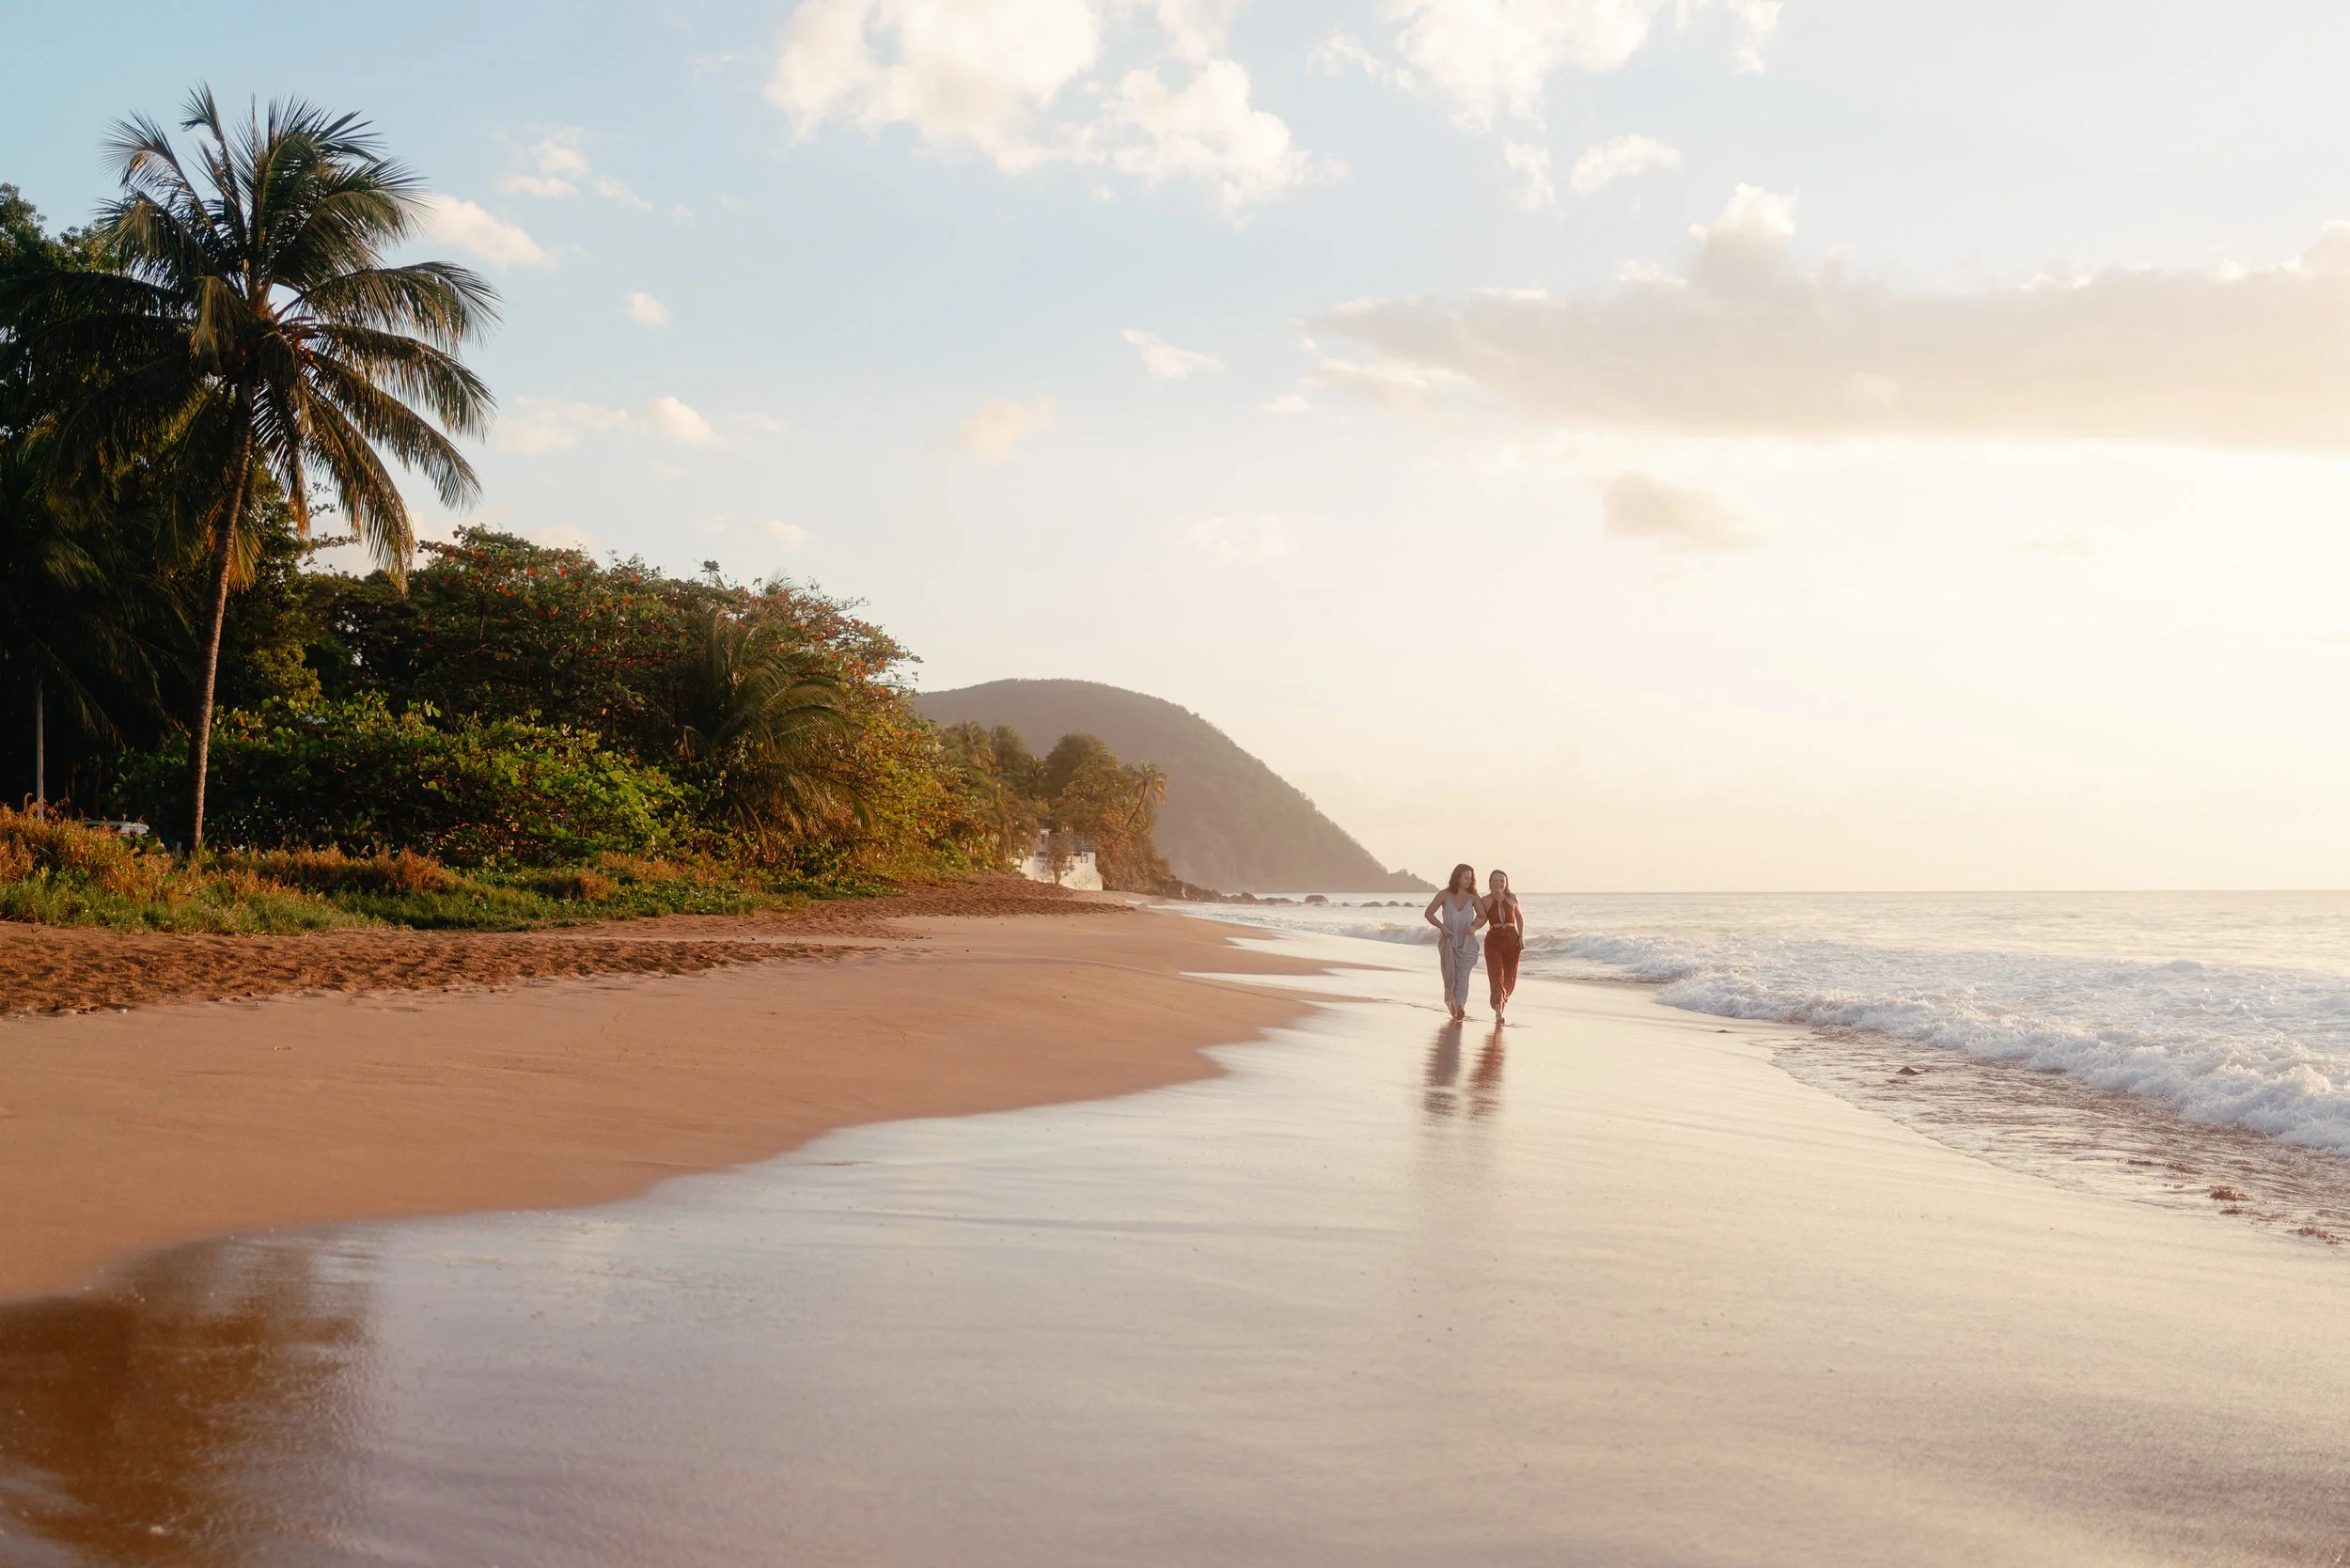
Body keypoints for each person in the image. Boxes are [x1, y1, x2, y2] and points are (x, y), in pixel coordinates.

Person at [1424, 863, 1486, 1022]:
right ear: (1457, 878)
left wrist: (1474, 927)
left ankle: (1460, 1007)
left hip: (1468, 944)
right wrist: (1442, 927)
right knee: (1451, 978)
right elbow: (1429, 913)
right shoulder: (1444, 895)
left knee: (1463, 976)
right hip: (1448, 942)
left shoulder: (1473, 897)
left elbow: (1482, 916)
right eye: (1466, 878)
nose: (1469, 881)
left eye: (1471, 878)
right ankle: (1454, 1008)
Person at [1482, 869, 1524, 1021]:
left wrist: (1521, 937)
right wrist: (1471, 928)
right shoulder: (1485, 901)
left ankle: (1501, 1002)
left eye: (1502, 881)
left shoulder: (1513, 898)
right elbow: (1480, 919)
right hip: (1493, 941)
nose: (1498, 883)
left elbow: (1519, 918)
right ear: (1490, 883)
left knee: (1508, 976)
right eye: (1495, 880)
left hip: (1512, 940)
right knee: (1496, 974)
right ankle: (1498, 1011)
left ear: (1506, 883)